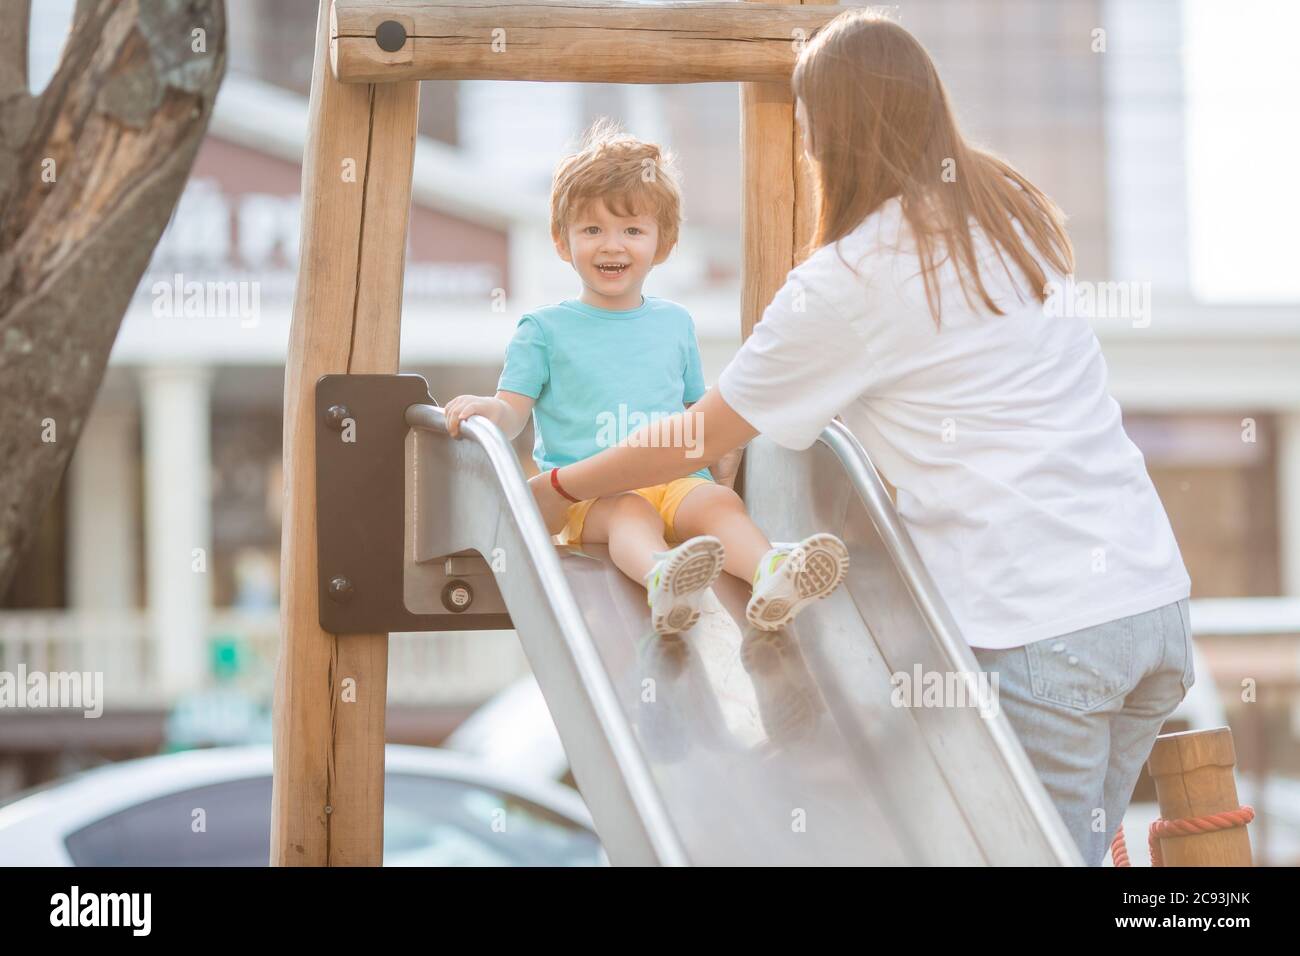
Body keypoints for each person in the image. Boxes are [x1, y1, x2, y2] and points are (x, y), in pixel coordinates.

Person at [526, 10, 1193, 866]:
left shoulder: (851, 279)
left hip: (1041, 631)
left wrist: (561, 485)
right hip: (1150, 607)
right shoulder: (1007, 210)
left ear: (826, 136)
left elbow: (703, 431)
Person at [444, 120, 849, 637]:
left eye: (632, 230)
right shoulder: (543, 330)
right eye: (592, 230)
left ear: (663, 243)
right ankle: (663, 577)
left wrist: (723, 453)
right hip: (589, 496)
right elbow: (512, 410)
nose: (612, 245)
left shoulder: (675, 322)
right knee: (630, 512)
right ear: (562, 241)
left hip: (674, 480)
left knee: (720, 504)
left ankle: (772, 573)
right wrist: (488, 410)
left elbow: (693, 409)